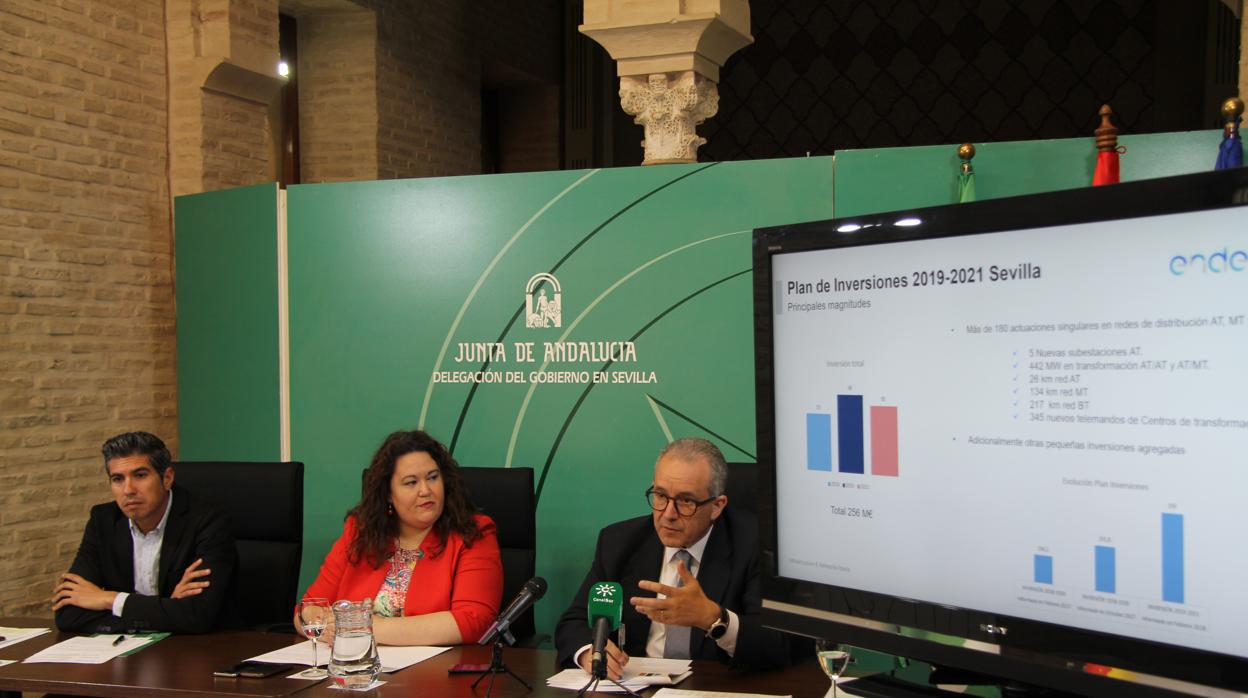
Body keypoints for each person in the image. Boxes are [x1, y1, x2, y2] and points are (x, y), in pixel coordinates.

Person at [555, 437, 790, 678]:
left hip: (716, 687)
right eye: (660, 496)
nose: (668, 514)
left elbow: (776, 643)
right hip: (636, 685)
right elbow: (574, 622)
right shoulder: (619, 542)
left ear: (717, 506)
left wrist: (714, 619)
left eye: (685, 501)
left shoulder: (755, 545)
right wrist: (589, 651)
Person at [298, 429, 503, 645]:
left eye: (433, 478)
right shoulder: (360, 532)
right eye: (411, 482)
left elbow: (473, 620)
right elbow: (306, 610)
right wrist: (325, 627)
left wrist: (364, 627)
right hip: (357, 666)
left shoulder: (473, 534)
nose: (425, 490)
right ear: (388, 493)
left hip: (433, 671)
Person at [53, 431, 237, 634]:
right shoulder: (103, 521)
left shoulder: (208, 522)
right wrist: (165, 609)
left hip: (199, 652)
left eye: (140, 476)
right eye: (118, 479)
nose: (128, 489)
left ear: (167, 478)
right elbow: (67, 614)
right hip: (129, 653)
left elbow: (196, 615)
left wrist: (108, 599)